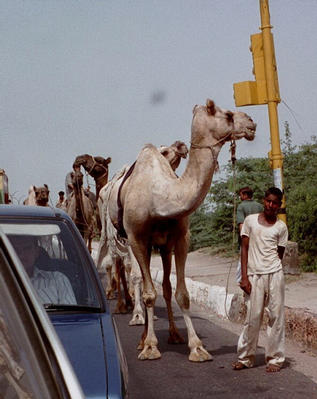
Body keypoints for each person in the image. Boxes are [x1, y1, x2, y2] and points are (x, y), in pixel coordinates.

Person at [232, 187, 288, 373]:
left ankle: (275, 359)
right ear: (264, 200)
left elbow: (279, 254)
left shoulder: (281, 227)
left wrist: (271, 271)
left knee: (276, 317)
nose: (271, 205)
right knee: (252, 317)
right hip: (254, 276)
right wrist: (244, 277)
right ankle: (245, 357)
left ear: (279, 206)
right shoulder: (250, 221)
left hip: (274, 274)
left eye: (275, 203)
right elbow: (245, 249)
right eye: (269, 201)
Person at [9, 235, 76, 305]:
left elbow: (72, 314)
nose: (21, 255)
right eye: (15, 250)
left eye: (27, 248)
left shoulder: (58, 280)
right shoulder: (2, 283)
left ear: (36, 252)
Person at [236, 187, 263, 283]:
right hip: (260, 238)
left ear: (245, 195)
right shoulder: (260, 206)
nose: (240, 197)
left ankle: (242, 282)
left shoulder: (241, 207)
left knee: (243, 261)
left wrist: (243, 240)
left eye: (241, 195)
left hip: (246, 238)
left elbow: (241, 224)